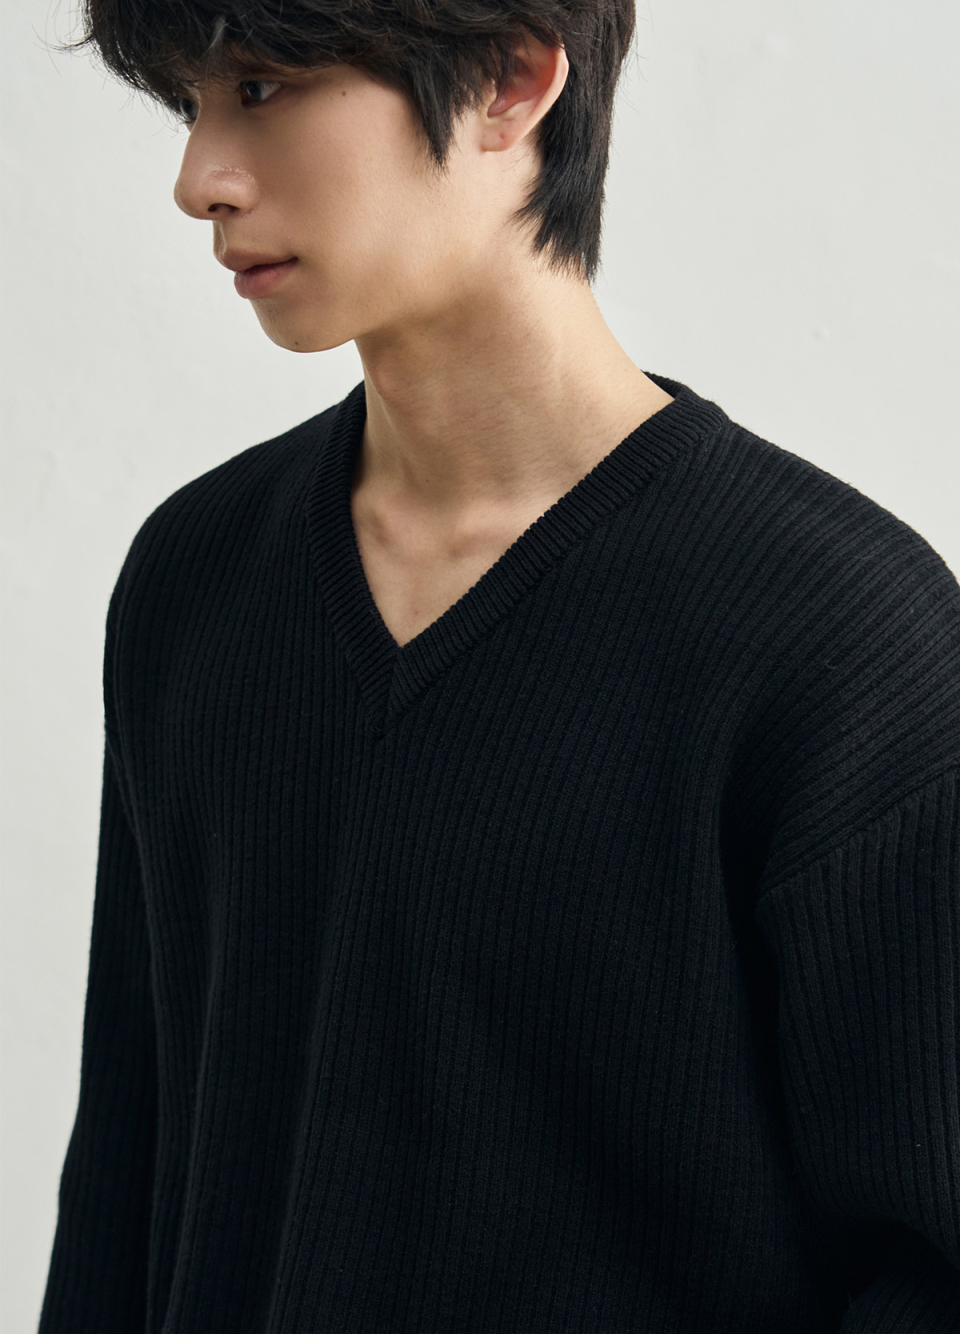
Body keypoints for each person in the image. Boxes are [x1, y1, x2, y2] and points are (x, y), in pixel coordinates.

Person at [39, 2, 960, 1331]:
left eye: (262, 87)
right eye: (191, 103)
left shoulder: (837, 640)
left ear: (511, 79)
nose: (199, 179)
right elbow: (125, 1181)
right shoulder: (196, 581)